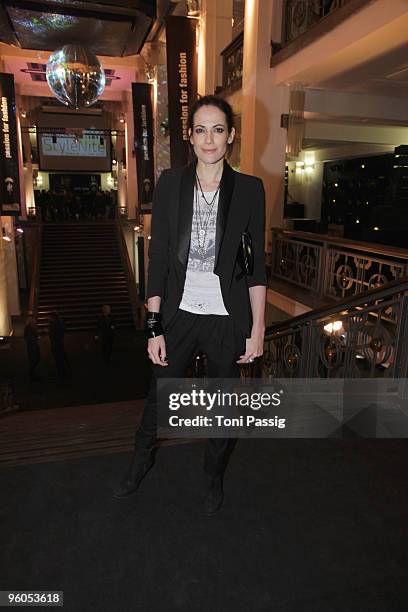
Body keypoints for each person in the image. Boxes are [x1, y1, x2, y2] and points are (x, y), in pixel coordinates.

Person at [114, 95, 267, 515]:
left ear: (231, 136)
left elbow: (256, 266)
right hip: (179, 313)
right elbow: (159, 256)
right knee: (158, 398)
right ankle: (140, 461)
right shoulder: (170, 184)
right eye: (201, 130)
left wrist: (257, 328)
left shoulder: (250, 190)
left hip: (225, 318)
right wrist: (154, 325)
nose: (209, 139)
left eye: (218, 129)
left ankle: (213, 475)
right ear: (190, 136)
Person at [48, 311, 70, 379]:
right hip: (59, 343)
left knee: (58, 359)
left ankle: (62, 373)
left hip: (56, 344)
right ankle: (65, 371)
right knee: (62, 358)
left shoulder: (53, 325)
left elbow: (52, 335)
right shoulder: (60, 323)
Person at [24, 315, 41, 381]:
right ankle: (32, 374)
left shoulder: (29, 328)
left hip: (32, 346)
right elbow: (29, 337)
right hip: (32, 346)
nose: (35, 321)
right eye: (34, 321)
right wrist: (35, 338)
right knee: (35, 358)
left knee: (34, 359)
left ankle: (32, 373)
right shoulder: (29, 328)